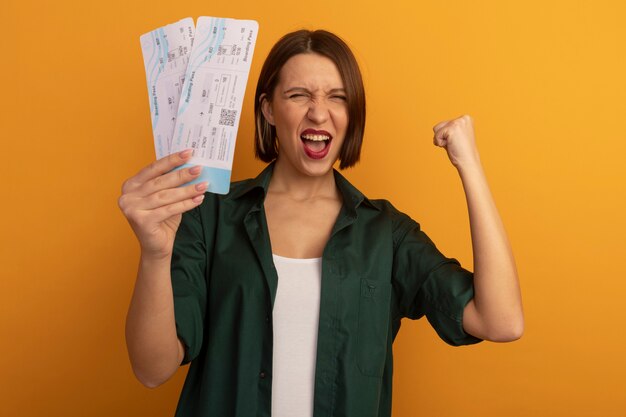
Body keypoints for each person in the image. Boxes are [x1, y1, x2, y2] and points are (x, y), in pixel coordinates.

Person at [119, 29, 523, 417]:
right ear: (268, 109)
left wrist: (469, 166)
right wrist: (155, 254)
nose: (319, 112)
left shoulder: (387, 234)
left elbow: (501, 321)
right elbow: (152, 370)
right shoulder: (209, 216)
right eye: (298, 95)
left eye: (337, 97)